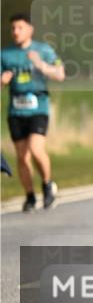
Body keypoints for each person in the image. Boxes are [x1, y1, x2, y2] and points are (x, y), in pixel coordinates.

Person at [2, 13, 65, 211]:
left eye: (20, 27)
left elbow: (60, 74)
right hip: (16, 112)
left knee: (36, 149)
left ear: (30, 29)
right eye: (13, 28)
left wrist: (41, 65)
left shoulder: (43, 50)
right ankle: (30, 196)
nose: (15, 32)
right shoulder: (5, 54)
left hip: (39, 108)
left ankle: (47, 185)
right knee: (21, 157)